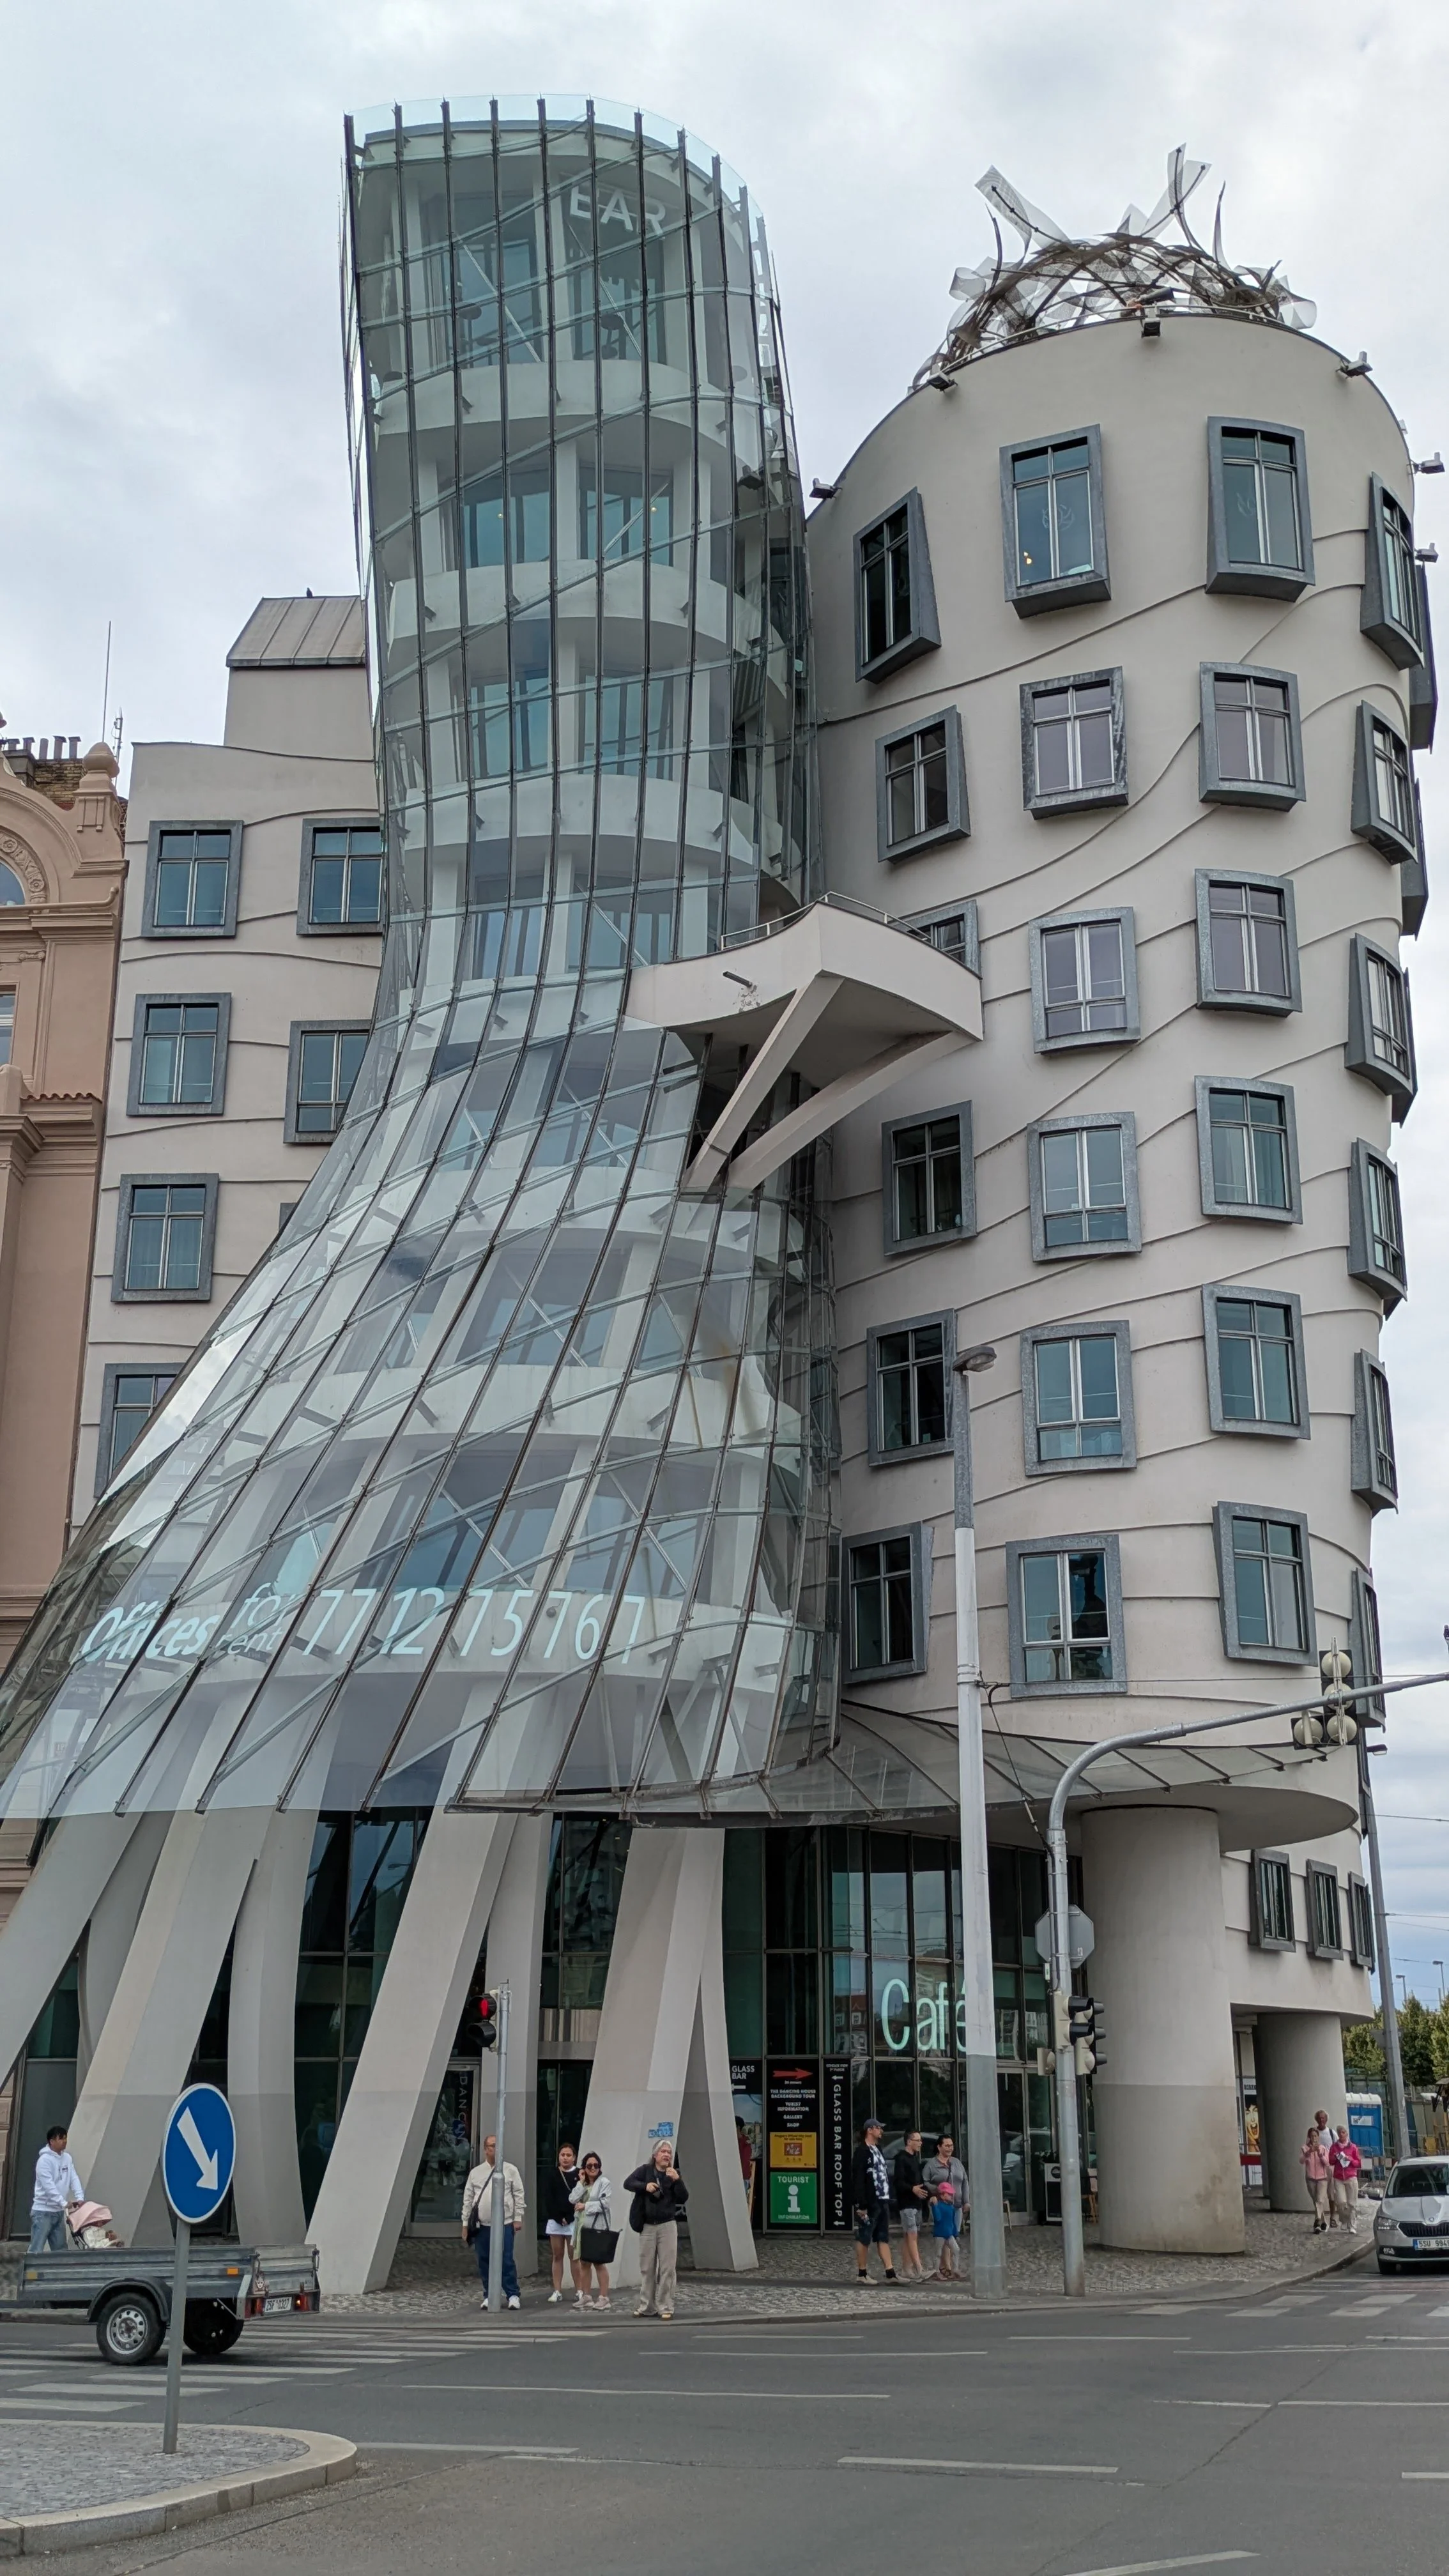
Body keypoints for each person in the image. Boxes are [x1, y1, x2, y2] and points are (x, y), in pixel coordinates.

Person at [625, 2138, 689, 2321]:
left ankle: (665, 2305)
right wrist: (645, 2186)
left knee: (668, 2268)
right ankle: (647, 2306)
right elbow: (628, 2183)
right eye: (663, 2152)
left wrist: (678, 2181)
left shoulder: (673, 2174)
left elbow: (684, 2197)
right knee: (647, 2268)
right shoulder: (645, 2171)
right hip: (647, 2225)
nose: (667, 2155)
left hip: (667, 2224)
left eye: (669, 2152)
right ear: (655, 2155)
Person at [461, 2132, 526, 2309]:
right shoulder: (476, 2173)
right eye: (492, 2146)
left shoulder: (510, 2170)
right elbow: (468, 2199)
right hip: (482, 2224)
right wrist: (465, 2224)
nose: (495, 2149)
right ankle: (489, 2294)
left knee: (506, 2259)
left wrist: (517, 2218)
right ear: (485, 2149)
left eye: (498, 2146)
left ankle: (513, 2294)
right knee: (484, 2259)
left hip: (505, 2222)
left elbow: (519, 2194)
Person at [850, 2117, 900, 2283]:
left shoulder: (878, 2149)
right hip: (869, 2203)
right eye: (878, 2128)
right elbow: (858, 2180)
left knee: (883, 2236)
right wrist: (861, 2204)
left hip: (882, 2200)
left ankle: (891, 2273)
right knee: (865, 2237)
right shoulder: (861, 2152)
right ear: (870, 2130)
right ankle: (862, 2274)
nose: (881, 2131)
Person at [571, 2152, 615, 2310]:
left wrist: (586, 2206)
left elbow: (605, 2204)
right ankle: (587, 2296)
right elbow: (572, 2199)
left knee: (599, 2262)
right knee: (584, 2262)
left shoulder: (604, 2183)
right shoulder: (583, 2184)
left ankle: (604, 2297)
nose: (593, 2168)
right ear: (584, 2168)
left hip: (597, 2227)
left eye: (596, 2165)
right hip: (582, 2228)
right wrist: (581, 2183)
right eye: (589, 2166)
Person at [30, 2124, 83, 2256]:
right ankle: (28, 2275)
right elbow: (48, 2186)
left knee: (61, 2250)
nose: (64, 2141)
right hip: (43, 2212)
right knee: (36, 2249)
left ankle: (59, 2276)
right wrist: (63, 2202)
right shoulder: (44, 2161)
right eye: (61, 2138)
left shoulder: (67, 2158)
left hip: (58, 2213)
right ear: (52, 2141)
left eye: (65, 2138)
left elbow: (73, 2178)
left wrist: (80, 2197)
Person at [923, 2132, 969, 2281]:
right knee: (943, 2235)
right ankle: (945, 2267)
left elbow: (964, 2182)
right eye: (947, 2145)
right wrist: (938, 2191)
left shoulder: (956, 2163)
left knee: (953, 2235)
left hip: (956, 2204)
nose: (950, 2148)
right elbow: (925, 2182)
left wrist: (966, 2201)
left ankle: (951, 2268)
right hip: (941, 2204)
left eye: (952, 2145)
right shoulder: (932, 2164)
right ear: (939, 2147)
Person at [543, 2143, 581, 2303]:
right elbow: (548, 2197)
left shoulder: (580, 2174)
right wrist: (559, 2217)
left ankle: (579, 2290)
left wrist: (570, 2216)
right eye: (562, 2155)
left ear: (574, 2157)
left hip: (573, 2220)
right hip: (556, 2220)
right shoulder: (552, 2174)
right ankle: (557, 2290)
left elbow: (581, 2194)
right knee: (557, 2255)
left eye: (568, 2155)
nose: (565, 2158)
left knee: (575, 2256)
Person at [893, 2130, 930, 2280]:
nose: (921, 2143)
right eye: (918, 2140)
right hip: (907, 2203)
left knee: (910, 2236)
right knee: (912, 2235)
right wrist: (912, 2189)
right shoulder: (901, 2159)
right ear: (909, 2142)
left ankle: (907, 2269)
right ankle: (919, 2269)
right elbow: (899, 2182)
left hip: (916, 2203)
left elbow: (920, 2181)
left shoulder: (915, 2159)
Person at [1328, 2124, 1363, 2234]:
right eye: (1339, 2133)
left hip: (1351, 2176)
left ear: (1347, 2134)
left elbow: (1358, 2163)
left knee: (1352, 2203)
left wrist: (1350, 2159)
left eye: (1343, 2132)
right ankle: (1344, 2220)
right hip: (1339, 2177)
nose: (1341, 2135)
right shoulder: (1334, 2147)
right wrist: (1335, 2157)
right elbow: (1330, 2161)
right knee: (1341, 2202)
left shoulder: (1353, 2147)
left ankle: (1352, 2225)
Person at [1300, 2123, 1331, 2232]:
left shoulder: (1322, 2149)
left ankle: (1317, 2222)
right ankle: (1324, 2222)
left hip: (1322, 2179)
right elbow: (1301, 2161)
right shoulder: (1304, 2148)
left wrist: (1320, 2154)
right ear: (1309, 2137)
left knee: (1320, 2200)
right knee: (1316, 2201)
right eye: (1312, 2136)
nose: (1314, 2138)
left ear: (1318, 2137)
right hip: (1311, 2179)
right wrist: (1309, 2152)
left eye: (1316, 2136)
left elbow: (1327, 2163)